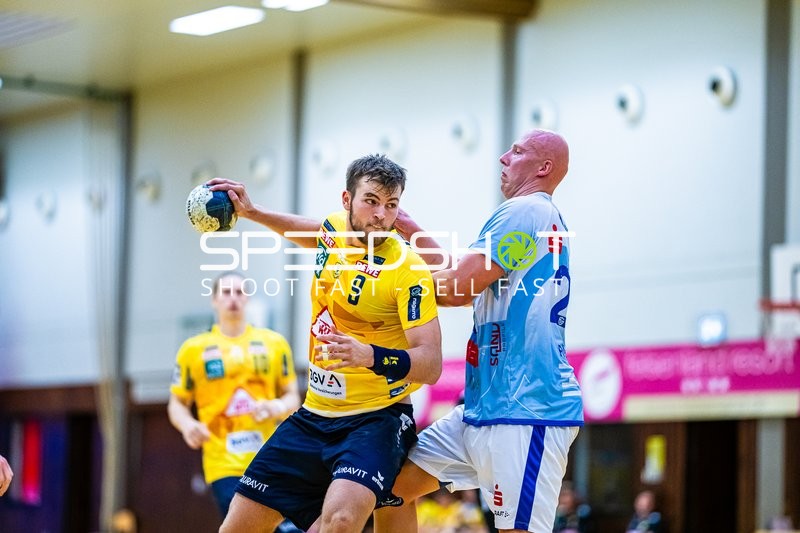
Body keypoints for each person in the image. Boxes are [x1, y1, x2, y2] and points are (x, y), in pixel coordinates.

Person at [209, 154, 443, 533]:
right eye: (371, 201)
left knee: (340, 522)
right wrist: (251, 213)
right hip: (314, 414)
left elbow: (430, 363)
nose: (381, 215)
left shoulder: (406, 269)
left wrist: (370, 355)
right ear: (347, 200)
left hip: (376, 419)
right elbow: (313, 232)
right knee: (236, 527)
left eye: (392, 204)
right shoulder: (335, 229)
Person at [372, 129, 583, 533]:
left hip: (527, 411)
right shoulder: (534, 218)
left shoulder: (525, 211)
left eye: (517, 151)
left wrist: (384, 285)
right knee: (389, 490)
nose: (503, 157)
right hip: (484, 409)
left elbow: (455, 289)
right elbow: (464, 277)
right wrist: (408, 227)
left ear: (543, 168)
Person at [168, 272, 301, 526]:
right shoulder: (193, 350)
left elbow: (292, 396)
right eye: (226, 292)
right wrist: (188, 425)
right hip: (222, 461)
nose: (233, 299)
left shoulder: (274, 344)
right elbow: (177, 403)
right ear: (214, 300)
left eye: (239, 292)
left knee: (280, 525)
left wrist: (275, 407)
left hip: (270, 456)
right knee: (244, 525)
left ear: (247, 299)